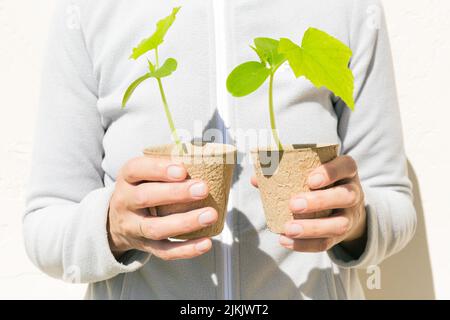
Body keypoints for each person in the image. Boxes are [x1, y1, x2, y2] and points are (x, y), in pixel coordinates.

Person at [24, 0, 416, 299]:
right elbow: (45, 226)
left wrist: (356, 222)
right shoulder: (89, 11)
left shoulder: (349, 8)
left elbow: (393, 200)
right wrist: (115, 226)